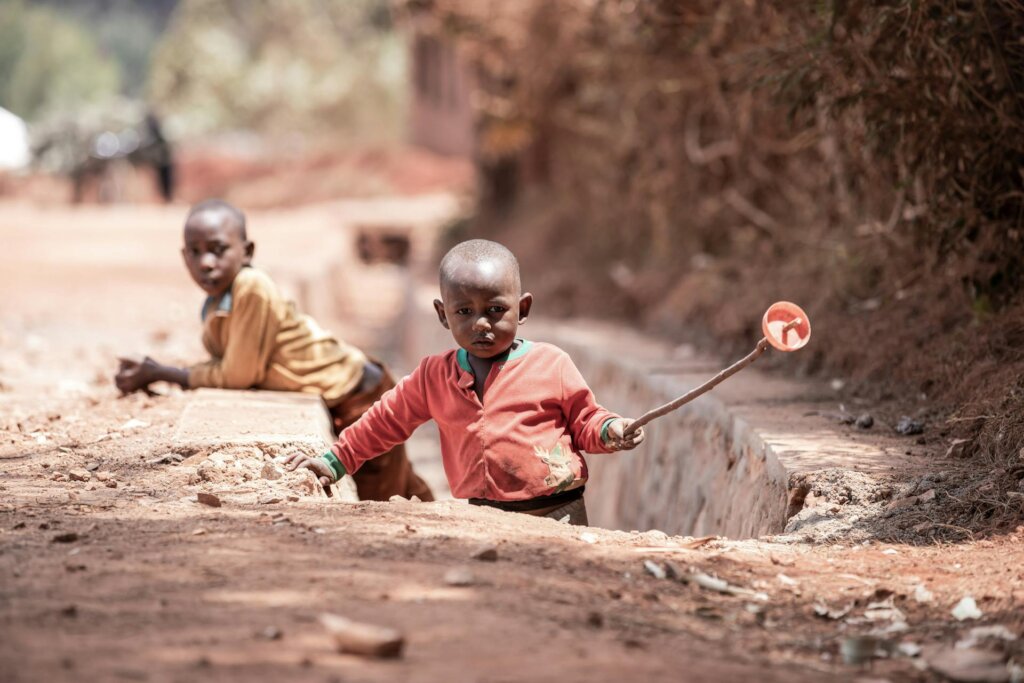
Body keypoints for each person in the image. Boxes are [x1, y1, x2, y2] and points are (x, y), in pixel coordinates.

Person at [284, 239, 645, 525]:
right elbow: (384, 421)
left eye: (495, 310)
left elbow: (585, 421)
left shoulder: (551, 364)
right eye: (464, 312)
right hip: (481, 518)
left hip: (559, 513)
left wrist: (611, 430)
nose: (481, 324)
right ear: (443, 315)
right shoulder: (434, 376)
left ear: (523, 309)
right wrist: (335, 461)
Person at [114, 199, 433, 502]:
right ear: (183, 257)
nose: (205, 263)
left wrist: (163, 373)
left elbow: (238, 374)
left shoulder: (250, 286)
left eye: (218, 249)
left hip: (359, 396)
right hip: (349, 393)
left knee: (380, 495)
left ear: (247, 251)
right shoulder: (218, 299)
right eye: (195, 253)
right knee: (402, 482)